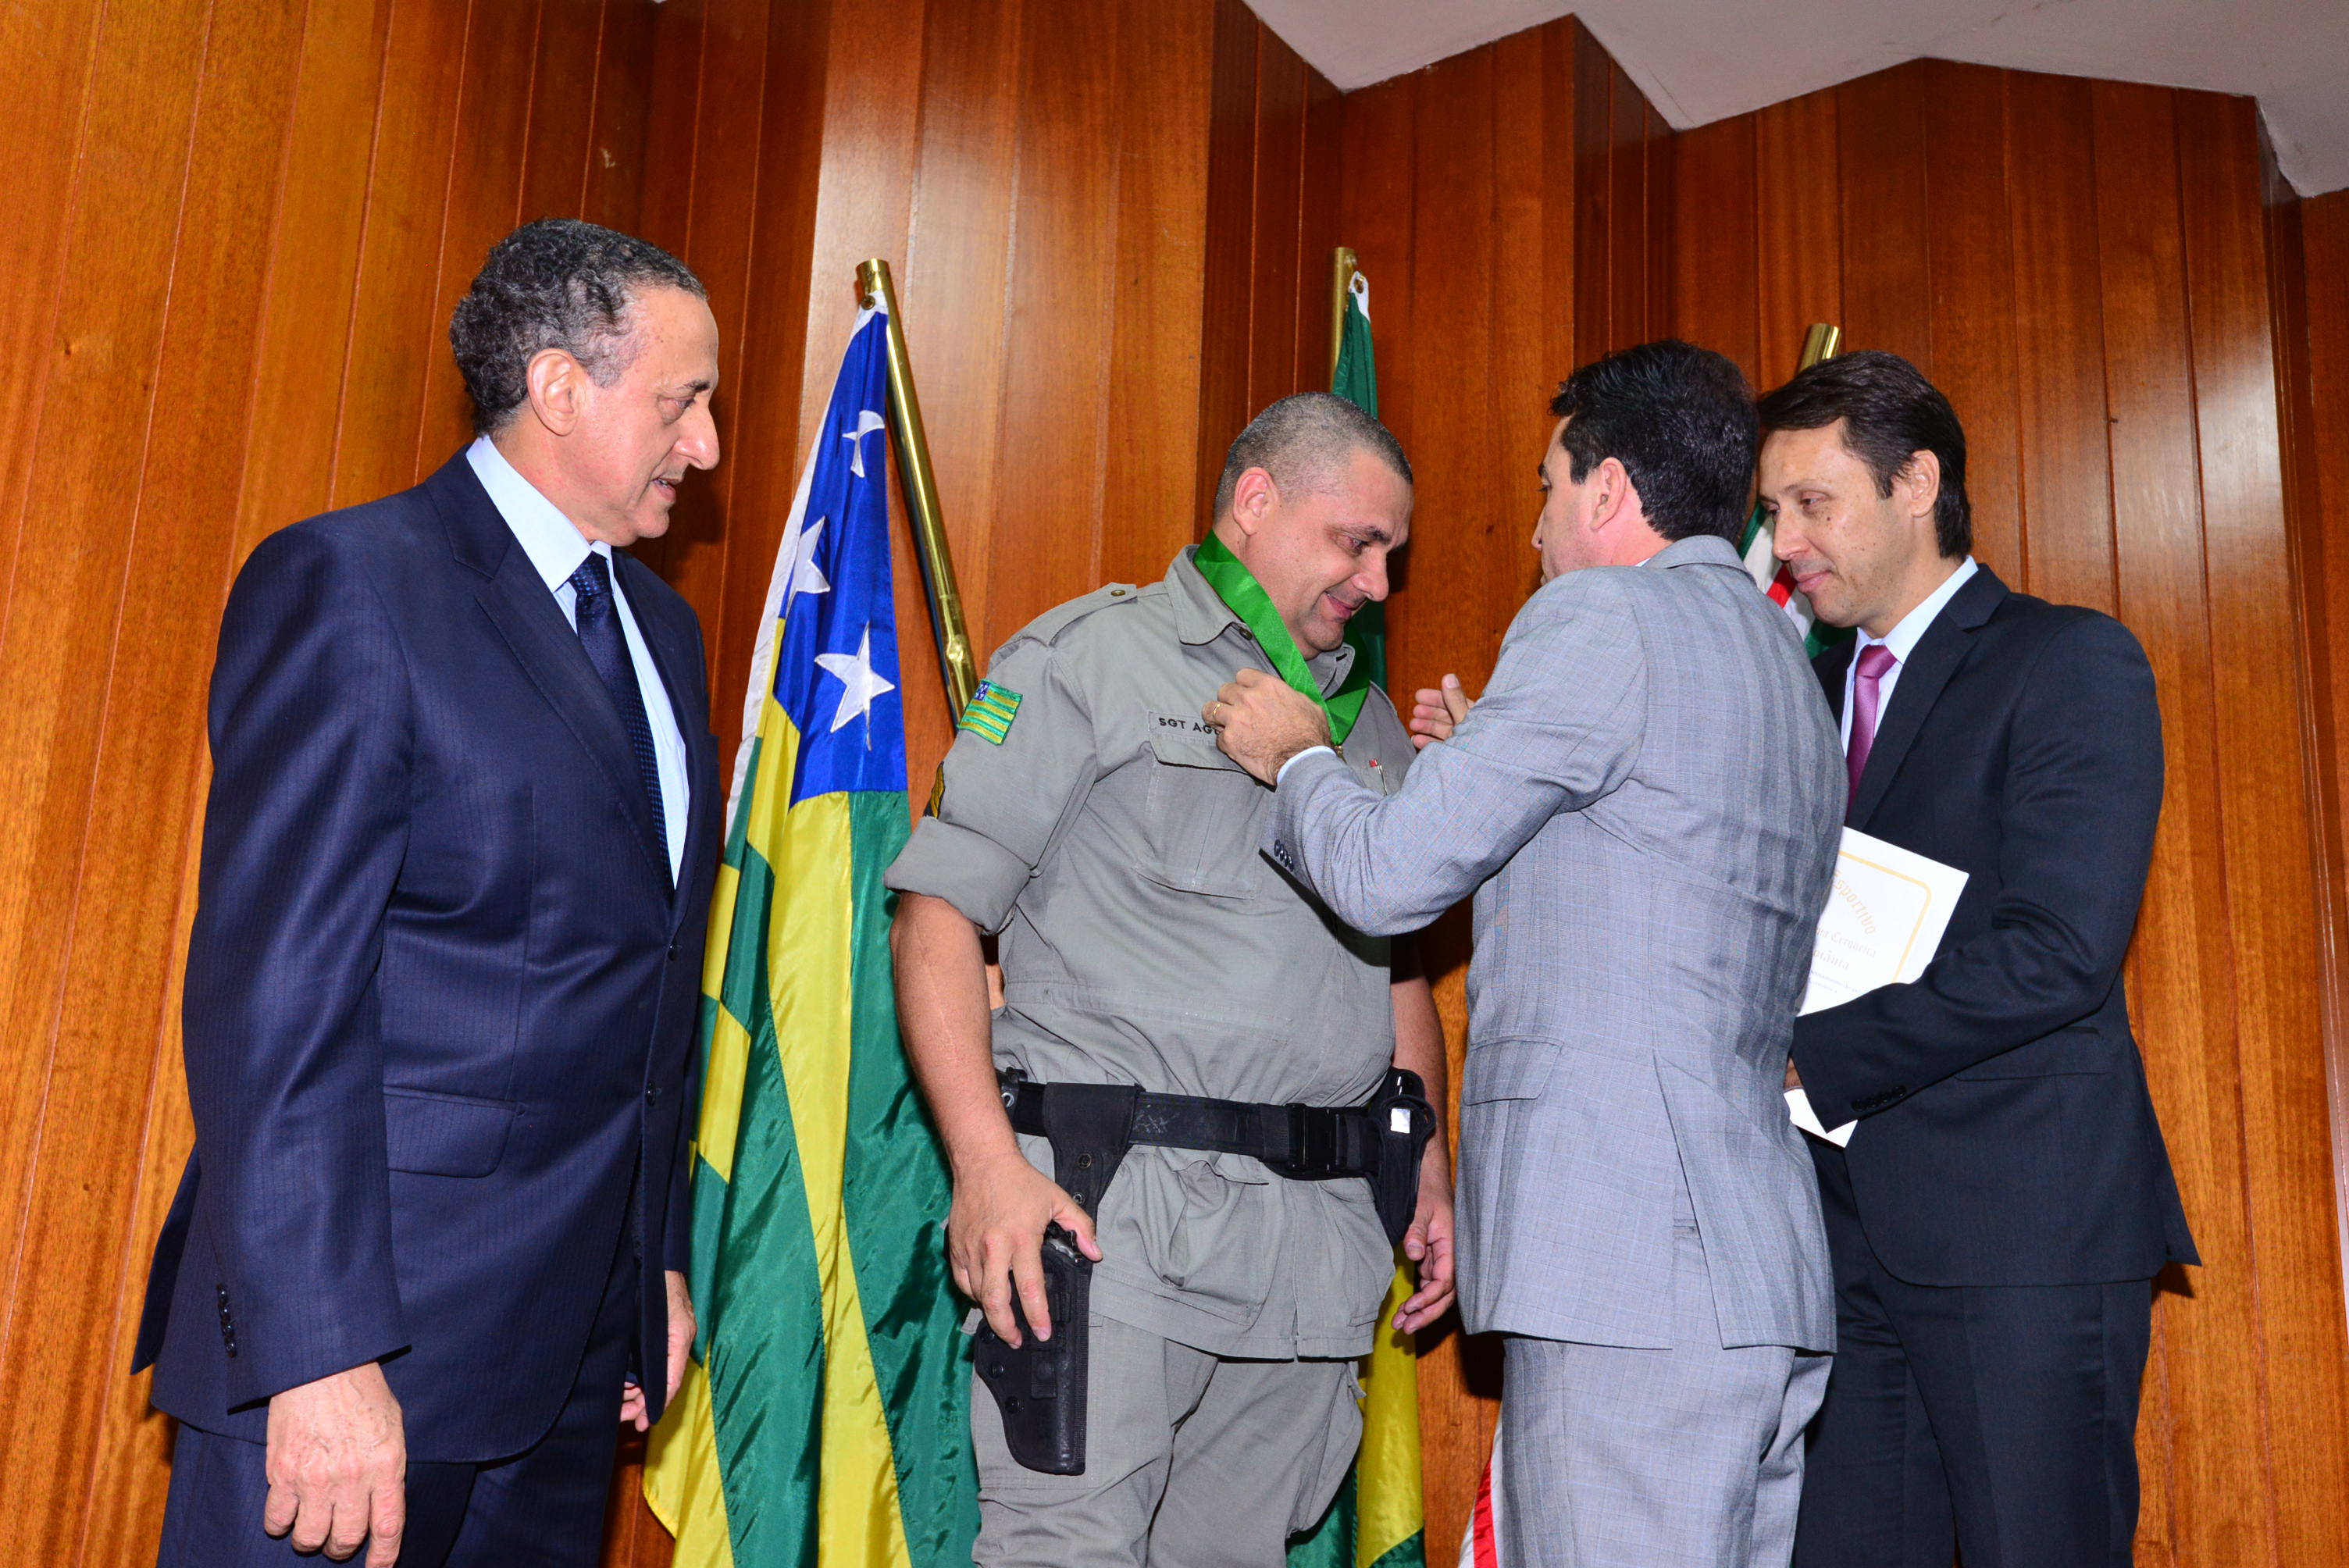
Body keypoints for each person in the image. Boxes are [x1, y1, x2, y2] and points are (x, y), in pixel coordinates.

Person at [135, 219, 725, 1567]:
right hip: (363, 1359)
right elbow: (277, 1002)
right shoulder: (353, 584)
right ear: (561, 388)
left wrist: (653, 1265)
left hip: (572, 1367)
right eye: (682, 403)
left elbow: (648, 987)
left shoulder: (665, 632)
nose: (704, 446)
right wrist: (318, 1354)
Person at [1210, 341, 1844, 1568]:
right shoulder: (1781, 660)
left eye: (1549, 487)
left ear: (1608, 489)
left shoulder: (1601, 616)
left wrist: (1299, 760)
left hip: (1627, 1272)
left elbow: (1388, 875)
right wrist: (1479, 766)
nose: (1540, 528)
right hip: (1755, 1271)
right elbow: (1650, 871)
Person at [885, 392, 1456, 1568]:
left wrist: (1430, 1167)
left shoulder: (1366, 730)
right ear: (1256, 500)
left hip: (1312, 1249)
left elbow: (1393, 965)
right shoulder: (1089, 658)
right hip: (1115, 1223)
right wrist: (984, 1167)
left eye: (1391, 554)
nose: (1377, 581)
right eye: (1357, 542)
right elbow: (936, 914)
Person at [1761, 351, 2197, 1568]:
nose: (1785, 541)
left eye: (1812, 503)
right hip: (1833, 1242)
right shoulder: (1793, 696)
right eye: (1774, 509)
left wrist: (1807, 1057)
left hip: (2022, 1239)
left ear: (1916, 485)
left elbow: (2059, 950)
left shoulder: (2067, 660)